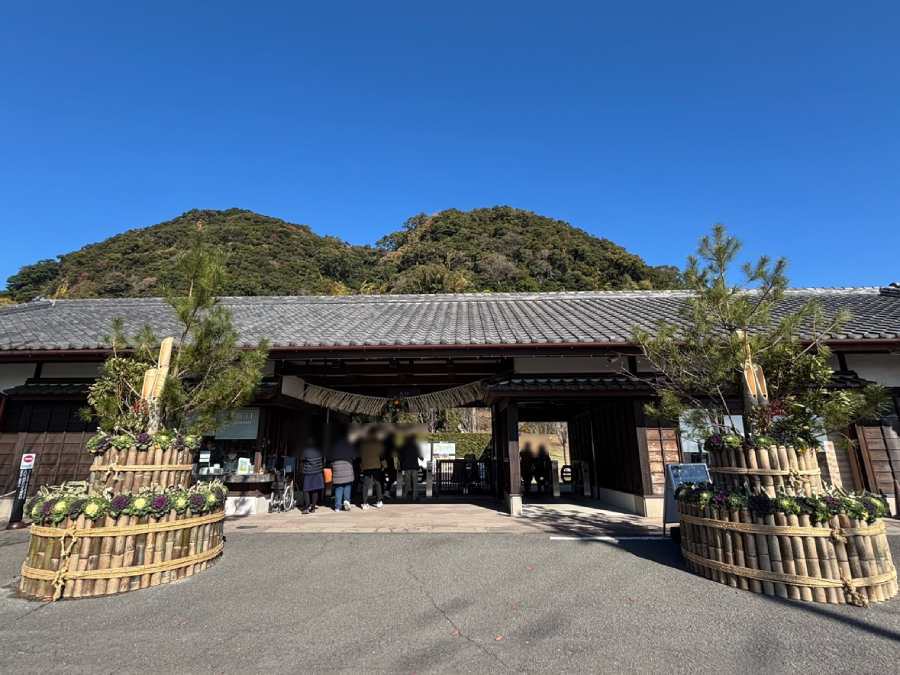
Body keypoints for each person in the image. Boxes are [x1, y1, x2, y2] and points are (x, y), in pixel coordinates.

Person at [358, 427, 384, 510]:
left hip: (366, 466)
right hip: (376, 465)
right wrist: (384, 465)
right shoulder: (378, 443)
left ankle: (365, 503)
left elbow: (360, 456)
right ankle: (379, 501)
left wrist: (361, 466)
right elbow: (381, 455)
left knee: (366, 485)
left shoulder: (363, 444)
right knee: (377, 484)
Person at [330, 432, 356, 512]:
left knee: (339, 488)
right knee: (347, 486)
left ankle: (337, 507)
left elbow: (330, 458)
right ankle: (346, 501)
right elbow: (354, 457)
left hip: (337, 470)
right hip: (347, 469)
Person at [301, 438, 325, 514]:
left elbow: (302, 459)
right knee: (315, 490)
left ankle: (307, 507)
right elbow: (323, 460)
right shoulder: (319, 451)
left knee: (306, 490)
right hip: (318, 472)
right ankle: (313, 507)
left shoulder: (305, 451)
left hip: (308, 472)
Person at [399, 432, 423, 501]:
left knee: (407, 482)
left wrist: (402, 463)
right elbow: (419, 455)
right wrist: (421, 458)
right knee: (415, 482)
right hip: (414, 466)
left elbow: (400, 456)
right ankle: (414, 497)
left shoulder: (403, 446)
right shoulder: (415, 445)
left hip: (406, 466)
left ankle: (404, 495)